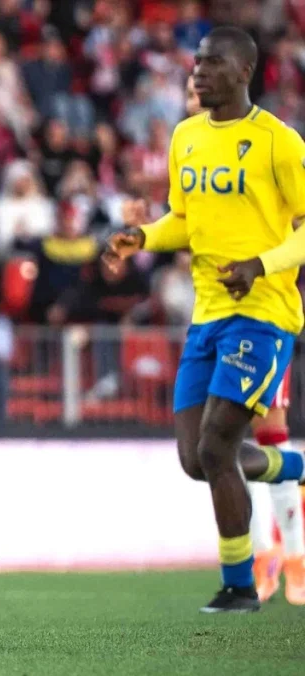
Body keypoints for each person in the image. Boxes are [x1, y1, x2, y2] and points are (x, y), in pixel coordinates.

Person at [105, 27, 305, 613]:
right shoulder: (186, 136)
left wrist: (261, 264)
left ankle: (239, 584)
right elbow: (184, 220)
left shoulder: (278, 142)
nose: (197, 72)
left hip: (263, 313)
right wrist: (140, 237)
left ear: (244, 71)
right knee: (196, 460)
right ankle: (293, 465)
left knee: (220, 445)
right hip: (207, 315)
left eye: (211, 63)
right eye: (195, 62)